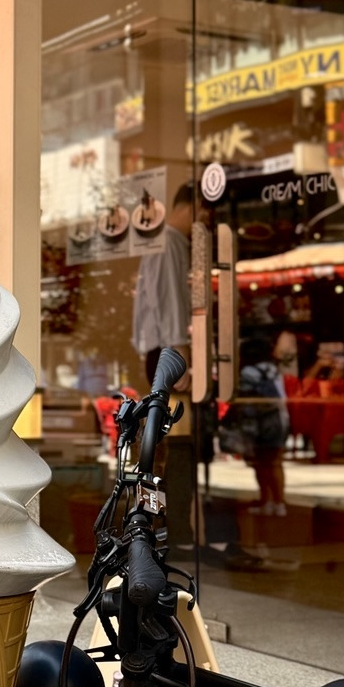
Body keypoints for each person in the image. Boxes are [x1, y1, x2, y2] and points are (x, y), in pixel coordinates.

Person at [132, 182, 195, 544]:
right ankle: (169, 528)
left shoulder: (158, 240)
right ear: (194, 205)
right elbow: (171, 302)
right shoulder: (170, 239)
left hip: (156, 350)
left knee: (157, 449)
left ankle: (156, 525)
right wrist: (182, 352)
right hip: (167, 353)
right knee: (169, 449)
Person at [225, 336, 289, 517]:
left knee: (261, 463)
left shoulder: (248, 372)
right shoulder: (273, 370)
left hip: (258, 423)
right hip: (278, 420)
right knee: (275, 462)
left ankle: (267, 499)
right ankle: (279, 501)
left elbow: (242, 400)